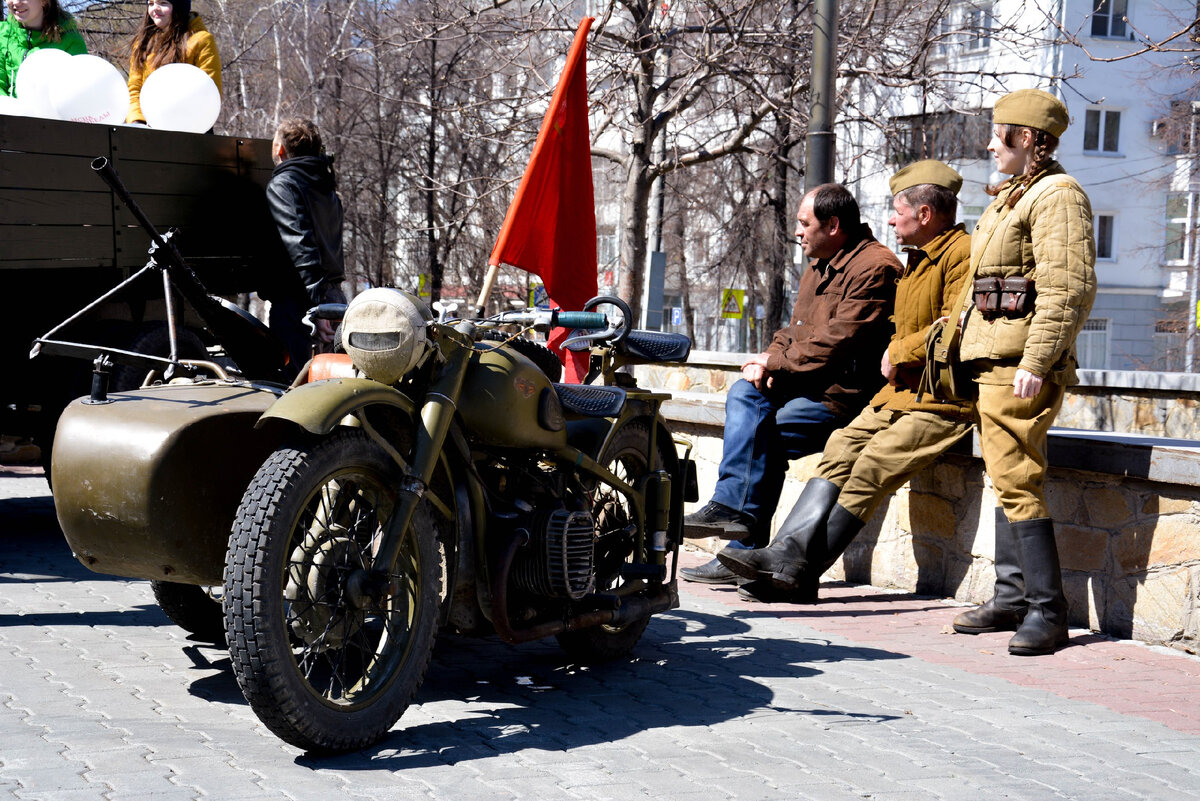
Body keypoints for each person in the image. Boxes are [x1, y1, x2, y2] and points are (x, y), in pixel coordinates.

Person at [717, 160, 975, 603]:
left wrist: (900, 352)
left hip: (940, 398)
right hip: (898, 395)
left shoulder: (962, 255)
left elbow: (956, 327)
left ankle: (797, 569)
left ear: (926, 214)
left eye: (898, 211)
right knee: (838, 451)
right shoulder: (916, 262)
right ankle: (781, 556)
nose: (890, 220)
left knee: (872, 464)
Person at [680, 183, 902, 585]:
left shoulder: (875, 267)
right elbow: (796, 330)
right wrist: (767, 358)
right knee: (744, 391)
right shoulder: (819, 262)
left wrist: (776, 362)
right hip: (805, 385)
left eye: (804, 223)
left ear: (833, 224)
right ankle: (733, 517)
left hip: (841, 396)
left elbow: (837, 341)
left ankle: (742, 549)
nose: (797, 232)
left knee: (764, 440)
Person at [946, 89, 1096, 657]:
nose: (990, 143)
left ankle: (1047, 610)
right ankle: (1012, 597)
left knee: (1018, 478)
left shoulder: (1056, 195)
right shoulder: (1011, 197)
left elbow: (1069, 287)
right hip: (993, 357)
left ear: (1028, 138)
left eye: (999, 132)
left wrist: (1038, 360)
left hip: (1019, 363)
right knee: (1006, 477)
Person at [265, 117, 346, 374]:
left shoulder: (284, 185)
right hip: (332, 299)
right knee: (331, 387)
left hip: (301, 305)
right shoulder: (327, 187)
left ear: (280, 149)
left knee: (296, 391)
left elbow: (302, 246)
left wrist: (318, 308)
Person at [126, 0, 221, 125]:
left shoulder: (202, 41)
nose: (155, 9)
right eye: (151, 4)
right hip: (150, 131)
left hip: (192, 130)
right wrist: (136, 121)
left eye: (163, 3)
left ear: (179, 7)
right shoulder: (142, 43)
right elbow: (135, 89)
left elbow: (210, 93)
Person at [1, 0, 87, 97]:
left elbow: (79, 92)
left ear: (44, 1)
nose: (16, 2)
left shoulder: (71, 40)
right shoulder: (2, 33)